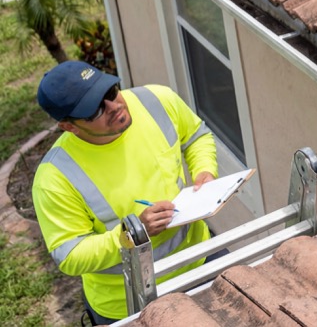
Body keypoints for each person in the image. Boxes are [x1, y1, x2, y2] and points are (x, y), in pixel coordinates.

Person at [31, 61, 220, 325]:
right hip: (130, 304)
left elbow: (195, 135)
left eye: (110, 92)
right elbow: (70, 255)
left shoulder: (156, 101)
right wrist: (131, 234)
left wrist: (205, 171)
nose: (114, 106)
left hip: (200, 261)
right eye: (95, 109)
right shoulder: (54, 179)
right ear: (69, 127)